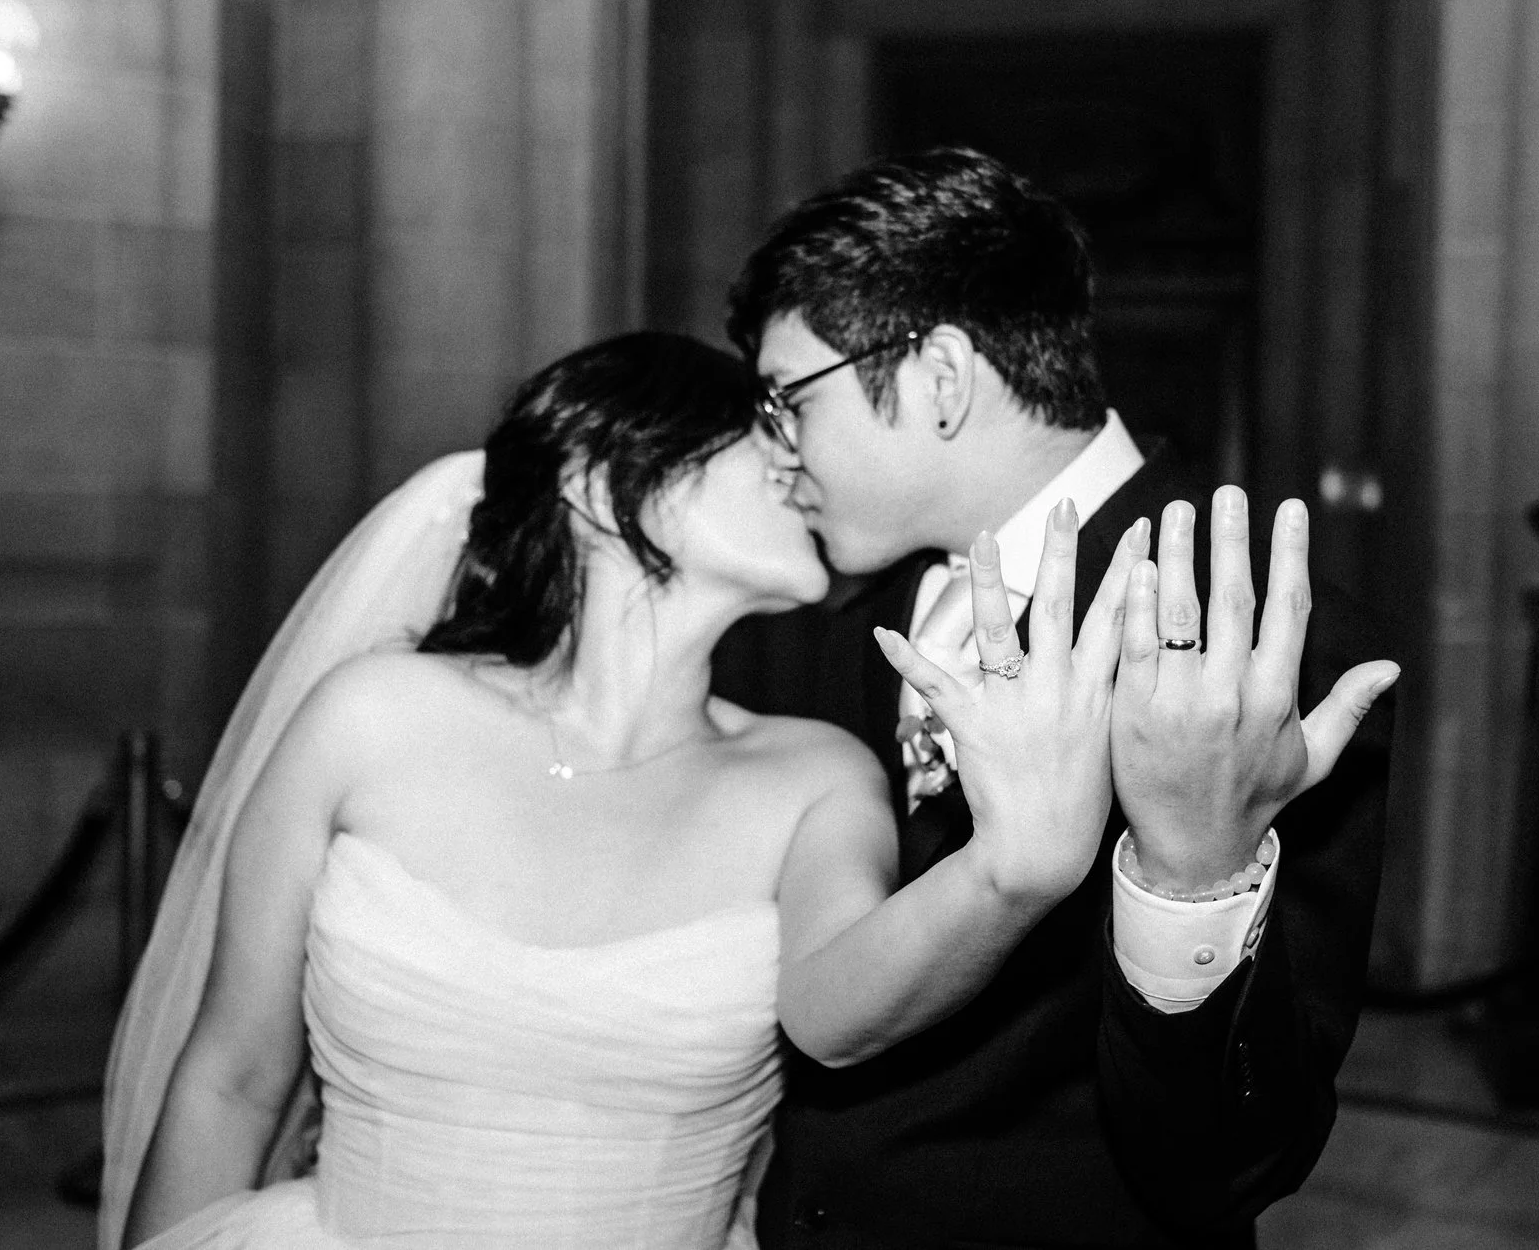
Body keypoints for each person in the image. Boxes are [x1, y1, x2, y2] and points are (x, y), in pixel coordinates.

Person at [100, 332, 1160, 1250]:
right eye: (764, 431)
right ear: (603, 484)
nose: (802, 461)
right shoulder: (369, 720)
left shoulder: (812, 776)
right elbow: (231, 1077)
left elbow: (835, 1014)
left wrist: (1004, 875)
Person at [715, 147, 1401, 1248]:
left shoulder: (1255, 638)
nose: (773, 452)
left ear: (940, 380)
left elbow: (1234, 1159)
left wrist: (1193, 877)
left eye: (786, 400)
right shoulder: (825, 629)